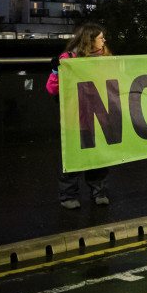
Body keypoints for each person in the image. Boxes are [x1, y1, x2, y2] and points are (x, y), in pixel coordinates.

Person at [53, 23, 113, 209]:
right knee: (73, 159)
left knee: (99, 158)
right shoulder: (68, 59)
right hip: (75, 119)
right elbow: (52, 87)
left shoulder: (107, 59)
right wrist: (56, 71)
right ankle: (68, 196)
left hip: (99, 118)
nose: (104, 41)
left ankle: (99, 192)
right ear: (90, 40)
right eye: (101, 37)